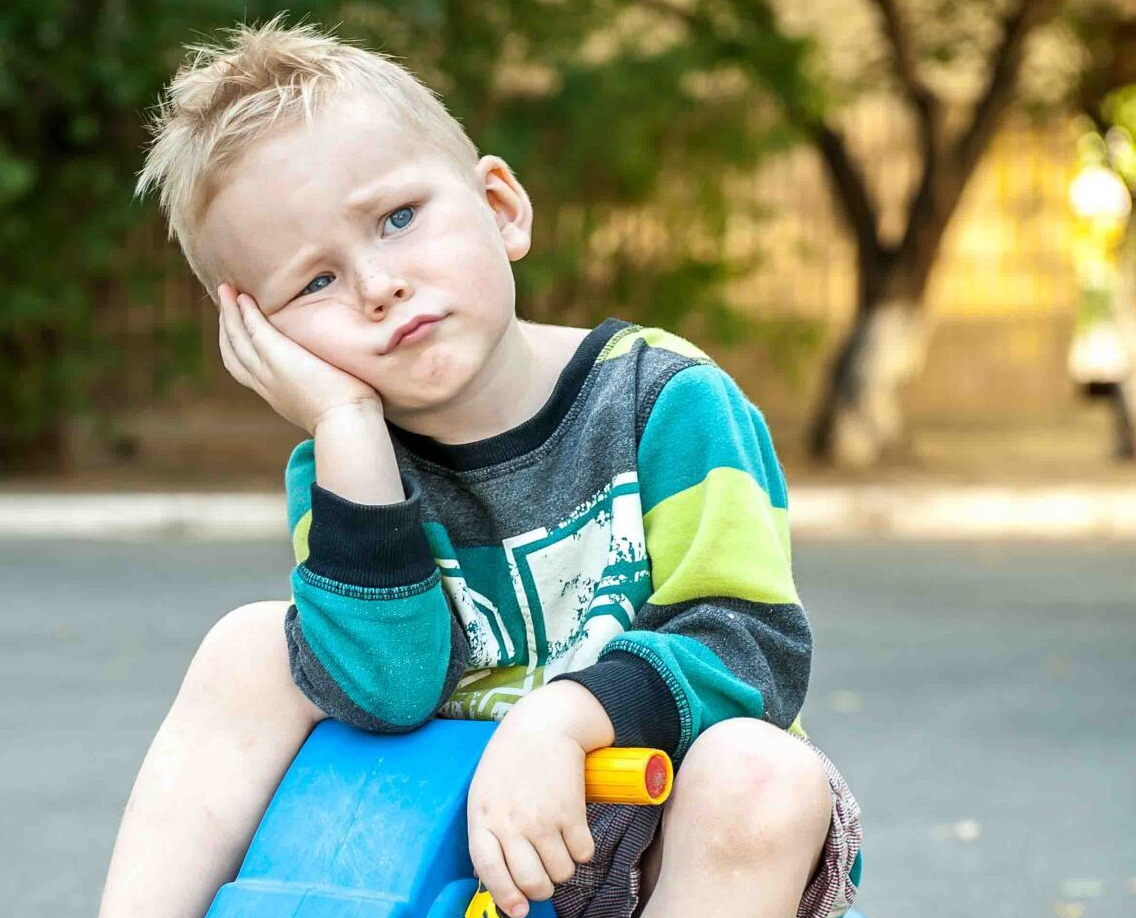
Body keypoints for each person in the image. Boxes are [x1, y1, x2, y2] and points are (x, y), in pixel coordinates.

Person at [98, 16, 860, 918]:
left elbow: (748, 643)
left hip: (669, 828)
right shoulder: (345, 468)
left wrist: (567, 717)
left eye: (397, 219)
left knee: (763, 772)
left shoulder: (666, 402)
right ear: (261, 340)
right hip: (448, 846)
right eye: (314, 284)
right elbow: (384, 691)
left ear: (500, 208)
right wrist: (345, 424)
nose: (378, 285)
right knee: (245, 649)